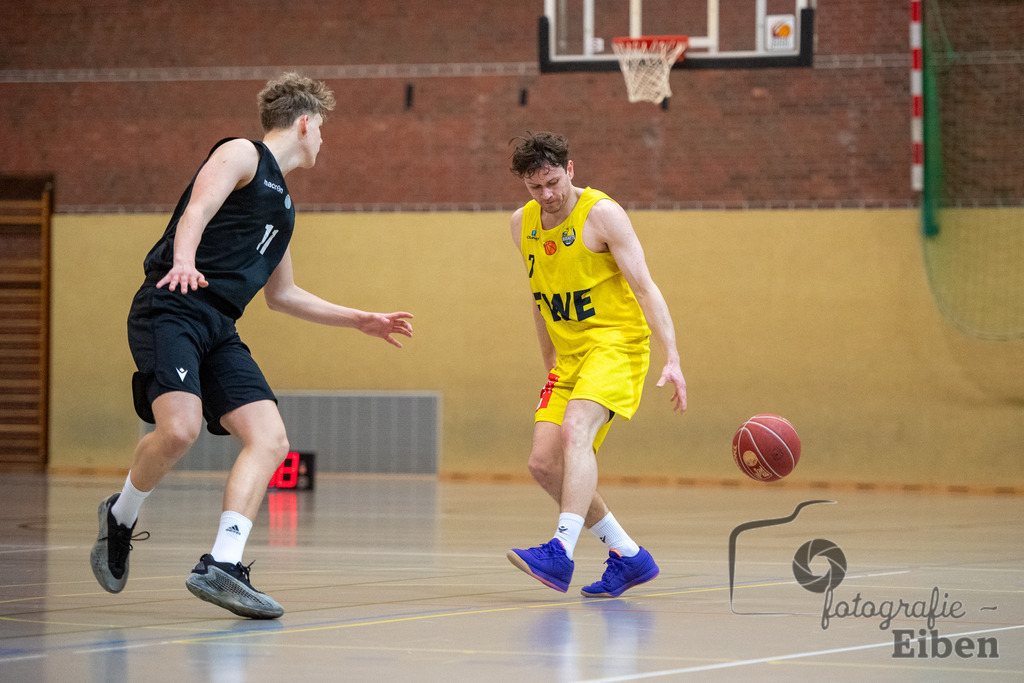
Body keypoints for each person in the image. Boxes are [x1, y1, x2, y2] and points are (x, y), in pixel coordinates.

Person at [89, 73, 413, 619]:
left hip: (221, 326)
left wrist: (360, 319)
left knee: (270, 438)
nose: (323, 142)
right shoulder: (242, 153)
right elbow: (196, 208)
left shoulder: (284, 207)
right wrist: (185, 260)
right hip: (173, 303)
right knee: (179, 430)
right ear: (305, 122)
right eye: (323, 130)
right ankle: (119, 516)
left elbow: (282, 296)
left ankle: (223, 564)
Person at [506, 131, 686, 597]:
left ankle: (559, 551)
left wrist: (674, 357)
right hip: (570, 358)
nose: (546, 195)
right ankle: (628, 556)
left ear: (570, 170)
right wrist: (550, 360)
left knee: (575, 430)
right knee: (543, 464)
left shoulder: (603, 215)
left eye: (552, 183)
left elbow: (646, 287)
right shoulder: (520, 224)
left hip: (617, 344)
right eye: (535, 188)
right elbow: (540, 298)